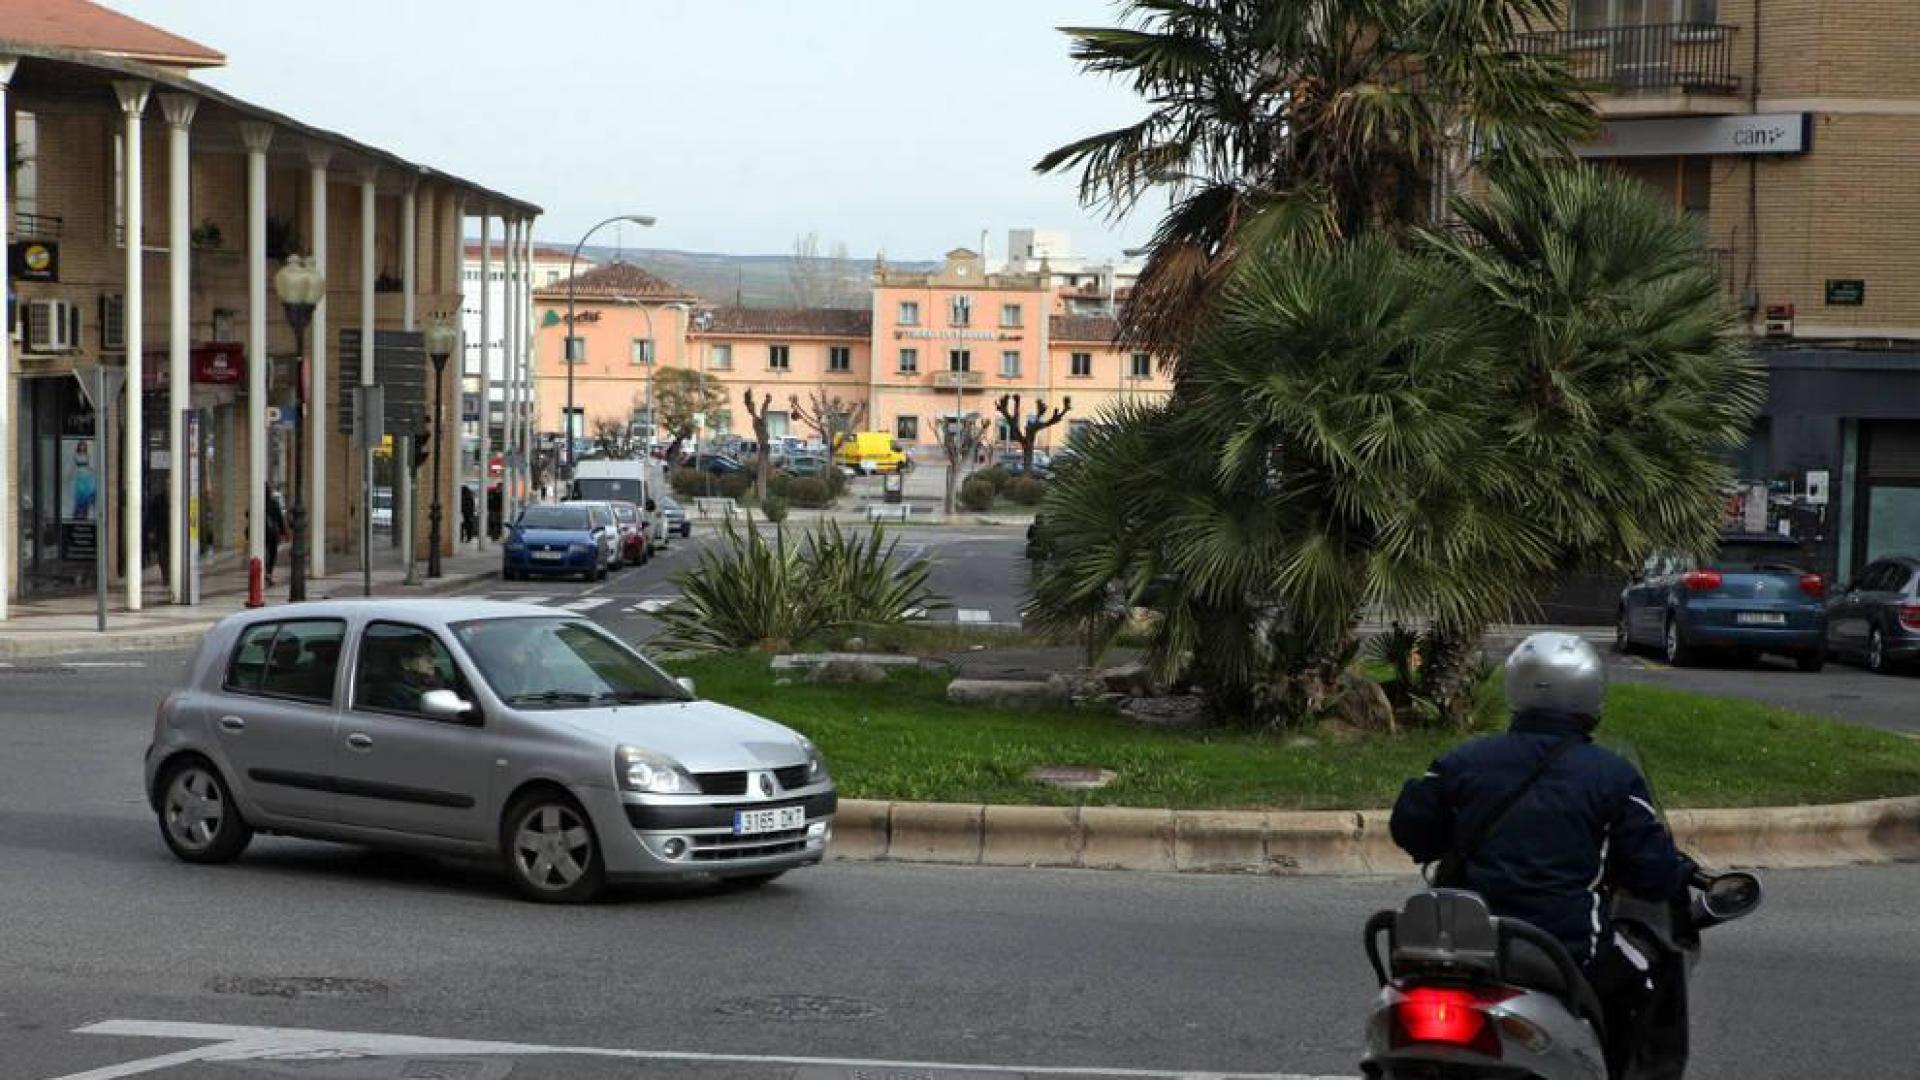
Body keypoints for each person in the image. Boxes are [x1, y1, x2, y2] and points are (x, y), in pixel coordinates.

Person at [1390, 632, 1696, 1074]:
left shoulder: (1462, 761)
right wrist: (1676, 876)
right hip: (1562, 946)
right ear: (1591, 692)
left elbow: (1411, 829)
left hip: (1460, 942)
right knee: (1649, 972)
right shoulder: (1612, 777)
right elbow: (1652, 872)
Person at [262, 484, 288, 587]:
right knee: (272, 553)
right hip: (273, 533)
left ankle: (265, 571)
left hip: (262, 533)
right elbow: (280, 519)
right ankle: (269, 572)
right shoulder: (274, 503)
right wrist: (284, 532)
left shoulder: (258, 503)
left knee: (264, 553)